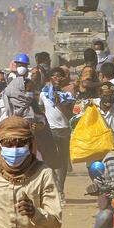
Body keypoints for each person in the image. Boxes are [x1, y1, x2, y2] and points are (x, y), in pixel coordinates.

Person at [39, 67, 75, 196]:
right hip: (50, 131)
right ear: (50, 79)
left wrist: (59, 102)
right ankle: (53, 186)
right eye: (54, 76)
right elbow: (41, 110)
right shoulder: (43, 95)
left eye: (60, 76)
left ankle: (60, 189)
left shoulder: (68, 96)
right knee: (51, 160)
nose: (57, 79)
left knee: (63, 160)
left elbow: (71, 115)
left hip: (64, 131)